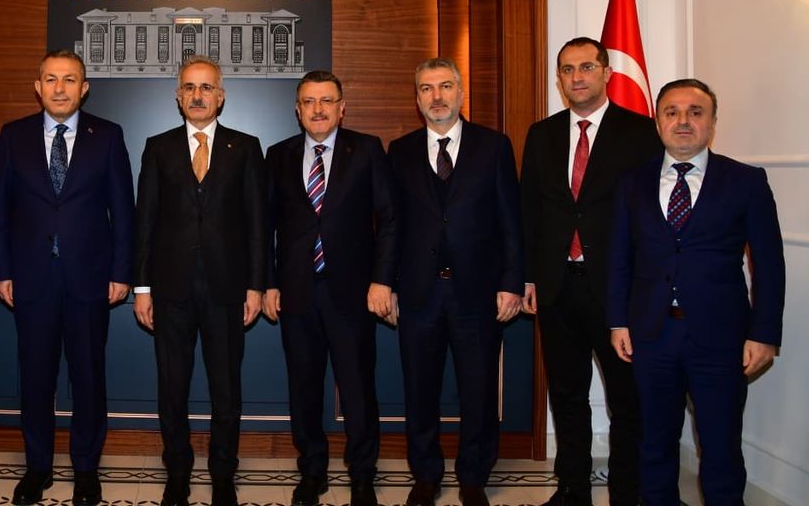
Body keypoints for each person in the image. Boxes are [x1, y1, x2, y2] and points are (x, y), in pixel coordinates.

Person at [608, 78, 785, 506]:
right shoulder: (631, 183)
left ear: (712, 122)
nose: (683, 121)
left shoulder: (746, 181)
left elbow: (769, 264)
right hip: (651, 336)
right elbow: (619, 258)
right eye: (672, 112)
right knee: (654, 444)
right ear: (658, 123)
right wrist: (617, 321)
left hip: (721, 338)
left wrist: (764, 334)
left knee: (721, 449)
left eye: (695, 112)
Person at [519, 37, 661, 506]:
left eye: (586, 67)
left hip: (618, 291)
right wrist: (529, 276)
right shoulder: (542, 134)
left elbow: (651, 215)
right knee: (566, 395)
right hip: (557, 287)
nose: (576, 77)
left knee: (627, 399)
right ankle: (572, 489)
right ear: (559, 79)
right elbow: (530, 210)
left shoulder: (642, 132)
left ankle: (626, 492)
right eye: (567, 69)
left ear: (606, 73)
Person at [0, 50, 134, 506]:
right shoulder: (13, 136)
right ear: (38, 87)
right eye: (51, 79)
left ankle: (86, 469)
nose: (59, 88)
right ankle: (37, 468)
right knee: (35, 378)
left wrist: (121, 271)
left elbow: (123, 211)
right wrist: (2, 271)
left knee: (89, 377)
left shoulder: (107, 136)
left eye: (69, 79)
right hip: (31, 278)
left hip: (90, 278)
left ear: (84, 88)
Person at [387, 57, 524, 506]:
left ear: (461, 93)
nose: (437, 96)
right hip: (418, 293)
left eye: (446, 86)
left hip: (478, 293)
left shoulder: (494, 146)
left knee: (478, 389)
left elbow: (510, 220)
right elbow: (391, 225)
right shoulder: (400, 151)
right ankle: (425, 474)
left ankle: (473, 476)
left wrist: (512, 281)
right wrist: (387, 283)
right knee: (419, 389)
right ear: (417, 98)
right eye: (427, 89)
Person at [133, 54, 267, 506]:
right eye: (189, 87)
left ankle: (223, 474)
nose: (197, 95)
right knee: (172, 389)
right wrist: (142, 288)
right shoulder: (158, 147)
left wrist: (255, 286)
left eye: (206, 87)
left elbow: (257, 223)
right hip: (169, 291)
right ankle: (178, 473)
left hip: (228, 291)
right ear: (178, 97)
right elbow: (145, 221)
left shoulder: (245, 148)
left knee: (226, 391)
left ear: (221, 96)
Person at [262, 71, 397, 506]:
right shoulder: (278, 155)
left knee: (357, 389)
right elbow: (265, 227)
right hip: (297, 293)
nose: (317, 109)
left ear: (342, 107)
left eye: (326, 100)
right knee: (303, 389)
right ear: (297, 109)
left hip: (353, 293)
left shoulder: (367, 149)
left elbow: (389, 220)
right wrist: (268, 283)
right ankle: (312, 471)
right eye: (309, 101)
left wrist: (382, 279)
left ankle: (362, 475)